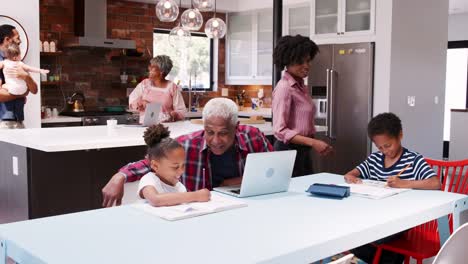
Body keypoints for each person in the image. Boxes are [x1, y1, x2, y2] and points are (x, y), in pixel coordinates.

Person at [102, 98, 273, 207]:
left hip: (245, 207)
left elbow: (272, 171)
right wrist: (121, 176)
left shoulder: (253, 137)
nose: (215, 141)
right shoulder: (187, 145)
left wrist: (232, 183)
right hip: (200, 215)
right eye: (210, 132)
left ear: (236, 128)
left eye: (223, 133)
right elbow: (152, 163)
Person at [344, 112, 440, 264]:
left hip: (401, 219)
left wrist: (405, 183)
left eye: (388, 145)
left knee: (374, 237)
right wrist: (351, 177)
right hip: (374, 216)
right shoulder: (375, 159)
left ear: (400, 136)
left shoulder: (413, 159)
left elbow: (435, 183)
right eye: (380, 147)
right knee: (350, 233)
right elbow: (351, 174)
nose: (385, 151)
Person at [272, 35, 333, 177]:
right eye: (300, 61)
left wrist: (312, 143)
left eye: (308, 60)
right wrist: (313, 142)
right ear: (287, 61)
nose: (306, 66)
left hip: (303, 150)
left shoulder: (300, 86)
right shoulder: (285, 88)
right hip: (287, 152)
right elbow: (280, 130)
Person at [137, 124, 210, 207]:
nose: (181, 171)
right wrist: (196, 196)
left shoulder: (179, 186)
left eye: (183, 165)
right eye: (175, 167)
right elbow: (156, 200)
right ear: (155, 165)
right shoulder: (149, 180)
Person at [0, 43, 48, 126]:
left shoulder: (5, 63)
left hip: (19, 118)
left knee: (5, 86)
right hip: (6, 120)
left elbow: (34, 90)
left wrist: (26, 76)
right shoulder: (20, 64)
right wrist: (41, 70)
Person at [0, 24, 38, 129]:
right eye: (17, 38)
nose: (20, 41)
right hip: (4, 123)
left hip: (18, 120)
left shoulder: (17, 61)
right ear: (7, 39)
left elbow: (34, 90)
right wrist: (22, 93)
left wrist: (27, 77)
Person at [129, 55, 186, 123]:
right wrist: (140, 104)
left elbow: (181, 112)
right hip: (145, 127)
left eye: (153, 68)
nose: (149, 69)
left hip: (166, 128)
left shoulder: (172, 88)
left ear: (161, 71)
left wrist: (173, 115)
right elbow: (132, 100)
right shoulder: (144, 84)